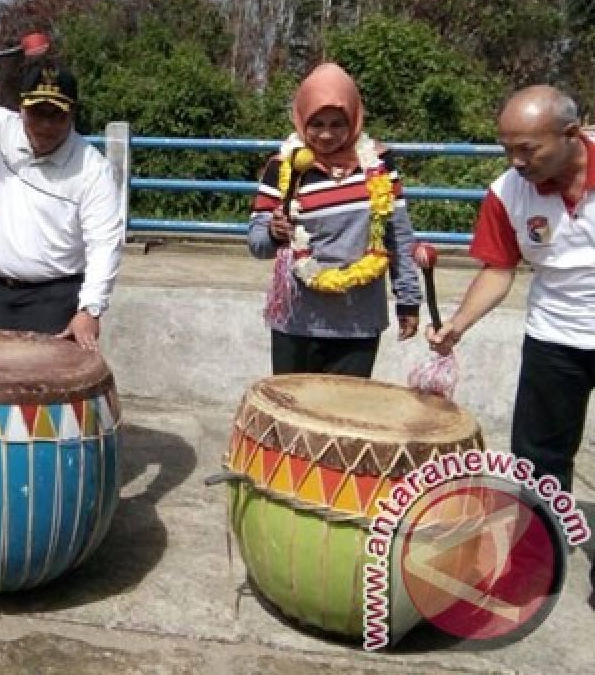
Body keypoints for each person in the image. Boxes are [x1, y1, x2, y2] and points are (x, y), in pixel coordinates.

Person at [428, 85, 593, 493]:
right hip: (554, 339)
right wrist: (458, 324)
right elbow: (498, 268)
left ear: (571, 134)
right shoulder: (507, 192)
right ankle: (540, 549)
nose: (516, 162)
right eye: (507, 150)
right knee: (539, 461)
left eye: (528, 149)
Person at [0, 54, 123, 351]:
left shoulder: (93, 170)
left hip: (56, 301)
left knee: (45, 394)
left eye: (56, 115)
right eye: (36, 113)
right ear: (21, 109)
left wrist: (89, 310)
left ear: (72, 115)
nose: (45, 126)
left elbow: (105, 243)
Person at [248, 62, 420, 376]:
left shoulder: (378, 163)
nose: (326, 135)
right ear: (301, 120)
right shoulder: (285, 167)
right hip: (296, 324)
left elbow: (398, 235)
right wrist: (274, 233)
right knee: (295, 419)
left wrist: (408, 299)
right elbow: (257, 244)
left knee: (344, 419)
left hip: (359, 324)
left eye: (337, 124)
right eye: (316, 123)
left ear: (353, 118)